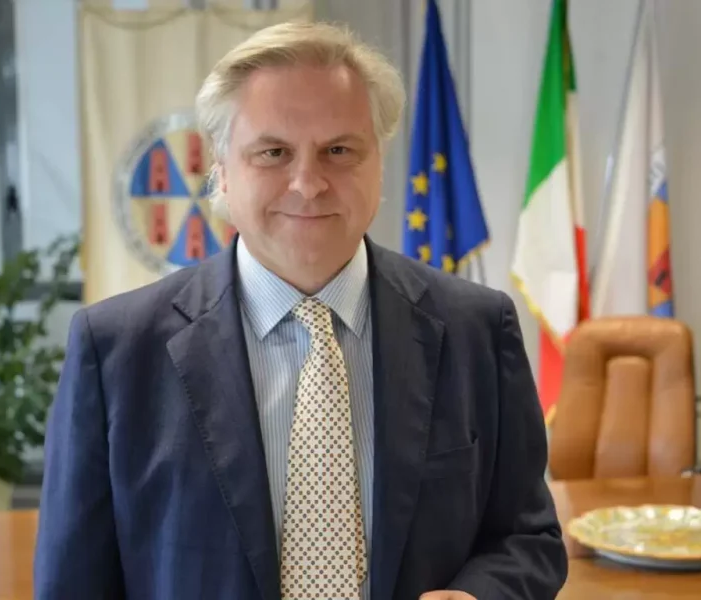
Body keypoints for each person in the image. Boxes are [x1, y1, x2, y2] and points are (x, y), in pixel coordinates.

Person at [34, 20, 568, 600]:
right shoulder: (114, 353)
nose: (308, 184)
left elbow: (527, 537)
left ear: (378, 163)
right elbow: (73, 584)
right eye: (273, 153)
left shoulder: (478, 330)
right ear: (222, 172)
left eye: (339, 150)